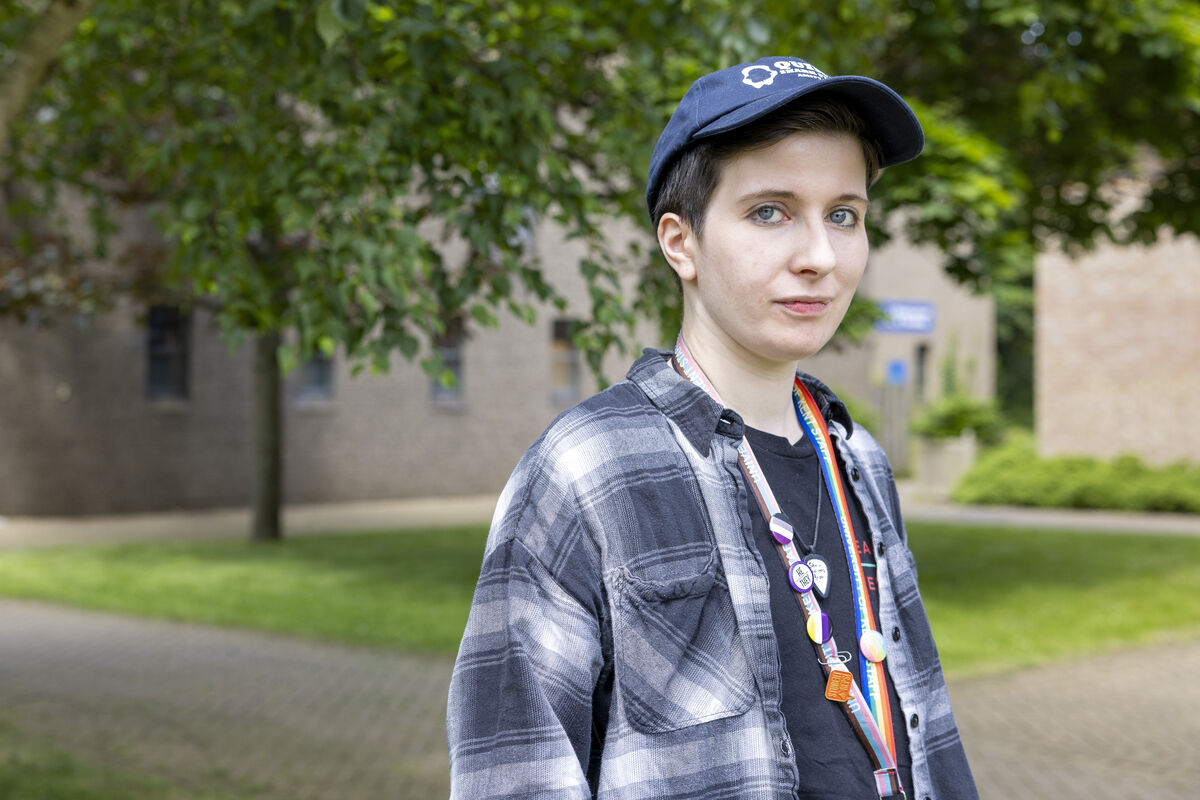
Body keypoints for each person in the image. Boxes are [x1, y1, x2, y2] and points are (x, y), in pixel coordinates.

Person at [447, 55, 978, 800]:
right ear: (680, 242)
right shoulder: (588, 465)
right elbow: (514, 770)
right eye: (770, 212)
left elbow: (924, 725)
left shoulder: (859, 459)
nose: (820, 257)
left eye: (844, 215)